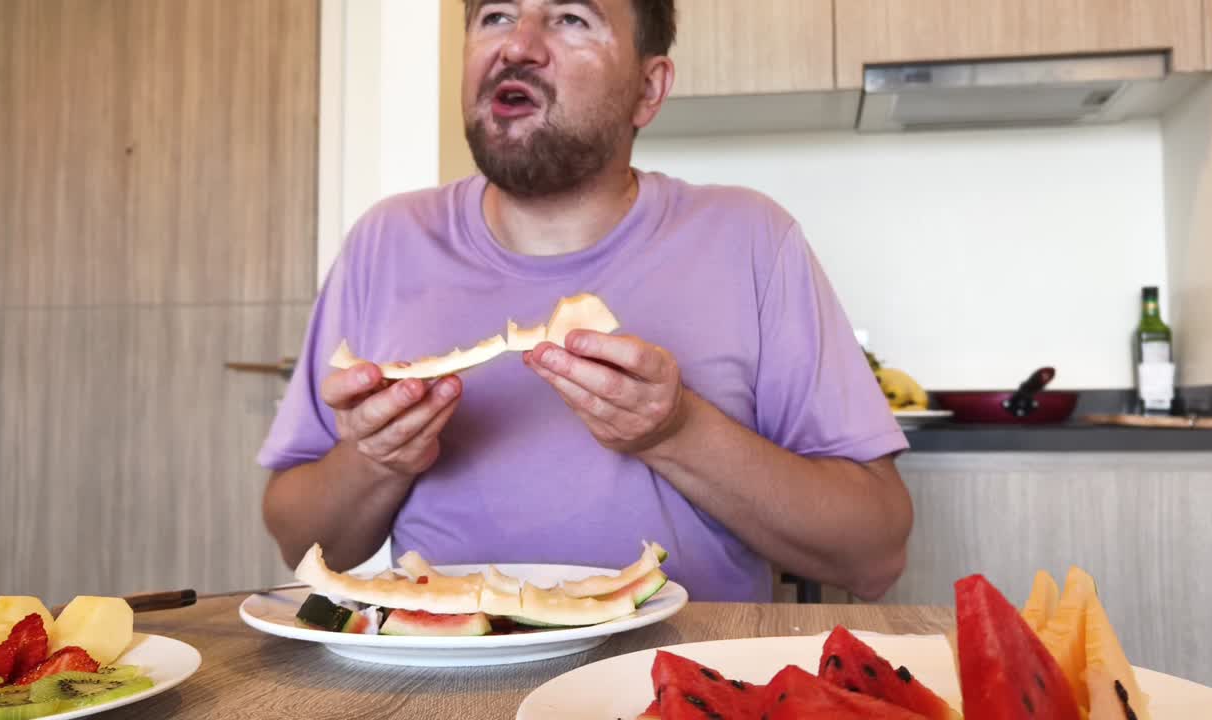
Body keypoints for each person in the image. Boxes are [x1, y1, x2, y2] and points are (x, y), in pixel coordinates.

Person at [258, 0, 914, 602]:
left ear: (648, 89)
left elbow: (874, 555)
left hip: (676, 685)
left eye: (570, 17)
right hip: (447, 688)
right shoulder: (387, 241)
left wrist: (676, 430)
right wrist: (374, 460)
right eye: (494, 16)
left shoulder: (751, 238)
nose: (518, 46)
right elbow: (303, 543)